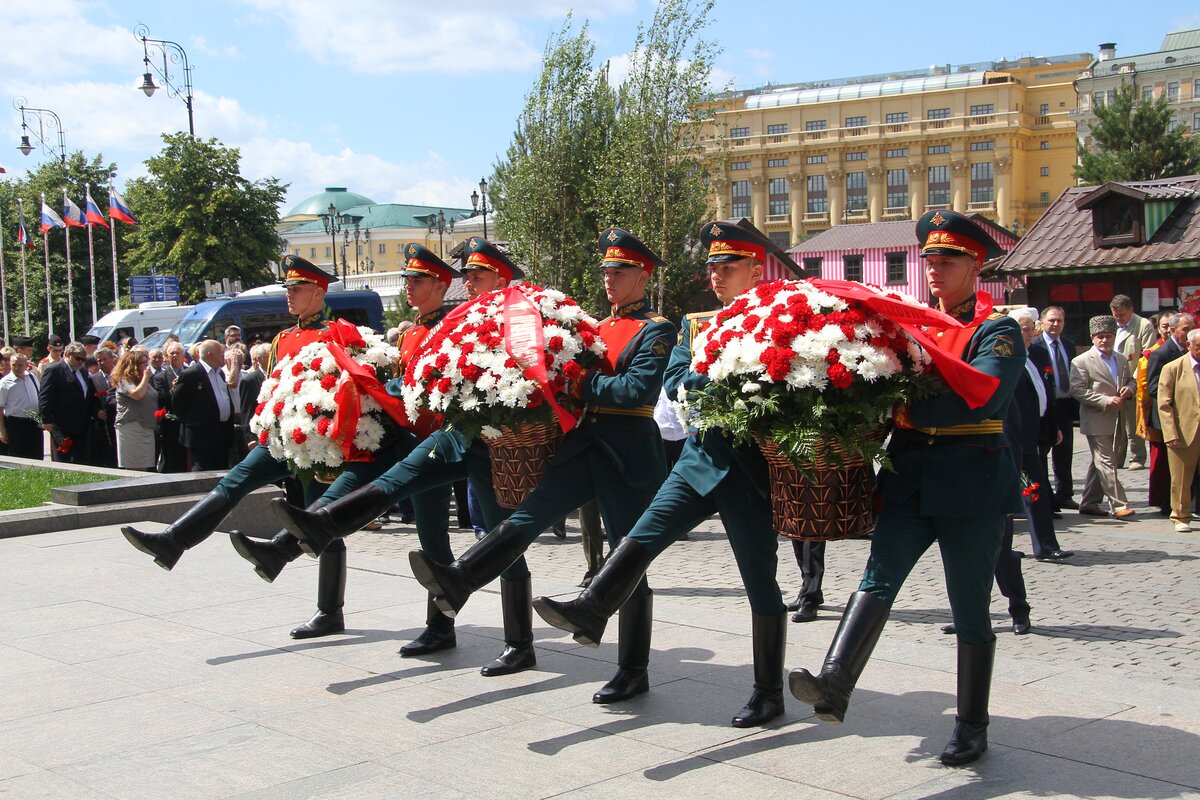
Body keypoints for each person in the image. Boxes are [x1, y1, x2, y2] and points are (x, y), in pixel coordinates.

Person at [533, 219, 797, 727]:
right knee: (641, 536)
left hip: (750, 470)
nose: (716, 275)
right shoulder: (695, 325)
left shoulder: (779, 318)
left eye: (727, 266)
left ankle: (769, 692)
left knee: (759, 582)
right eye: (712, 267)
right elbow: (676, 382)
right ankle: (592, 607)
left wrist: (718, 377)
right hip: (699, 460)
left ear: (753, 268)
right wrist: (720, 376)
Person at [782, 210, 1023, 767]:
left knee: (970, 608)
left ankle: (971, 724)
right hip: (911, 473)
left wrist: (891, 397)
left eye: (949, 260)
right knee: (878, 576)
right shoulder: (913, 326)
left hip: (971, 481)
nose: (935, 269)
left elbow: (981, 397)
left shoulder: (998, 330)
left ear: (976, 265)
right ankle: (835, 682)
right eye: (930, 260)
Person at [264, 240, 541, 674]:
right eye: (466, 277)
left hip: (491, 446)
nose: (469, 284)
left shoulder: (517, 320)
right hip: (443, 437)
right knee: (420, 515)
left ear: (502, 280)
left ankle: (520, 642)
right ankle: (438, 625)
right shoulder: (450, 322)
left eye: (477, 277)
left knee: (501, 541)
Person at [122, 255, 410, 640]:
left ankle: (329, 611)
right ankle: (175, 539)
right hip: (283, 437)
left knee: (319, 516)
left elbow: (355, 383)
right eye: (287, 289)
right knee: (237, 479)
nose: (289, 296)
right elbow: (273, 388)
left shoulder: (339, 333)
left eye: (297, 289)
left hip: (323, 436)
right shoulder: (282, 339)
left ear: (319, 292)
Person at [1008, 309, 1069, 561]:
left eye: (1031, 327)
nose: (1030, 333)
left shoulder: (1038, 352)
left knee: (1036, 490)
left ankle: (1046, 545)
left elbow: (1048, 394)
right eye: (1024, 328)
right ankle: (1002, 548)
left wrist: (1053, 427)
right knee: (1012, 493)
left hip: (1035, 435)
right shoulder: (1005, 358)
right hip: (1012, 438)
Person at [1070, 315, 1136, 519]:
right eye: (1100, 337)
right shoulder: (1081, 361)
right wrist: (1104, 400)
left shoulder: (1121, 359)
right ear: (1092, 337)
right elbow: (1077, 390)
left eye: (1108, 336)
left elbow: (1131, 380)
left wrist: (1129, 389)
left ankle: (1089, 502)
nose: (1104, 340)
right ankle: (1119, 504)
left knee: (1100, 460)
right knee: (1106, 461)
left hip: (1118, 418)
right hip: (1095, 418)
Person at [1028, 306, 1077, 510]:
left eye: (1059, 321)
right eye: (1052, 320)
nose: (1055, 324)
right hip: (1046, 406)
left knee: (1065, 452)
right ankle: (1047, 498)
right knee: (1042, 452)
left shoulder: (1068, 344)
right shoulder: (1036, 346)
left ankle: (1065, 494)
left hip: (1066, 404)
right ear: (1042, 322)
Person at [1145, 313, 1193, 515]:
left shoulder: (1192, 351)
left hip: (1189, 417)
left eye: (1192, 328)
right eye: (1186, 329)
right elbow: (1153, 387)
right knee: (1168, 463)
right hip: (1169, 416)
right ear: (1173, 331)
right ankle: (1167, 503)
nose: (1190, 333)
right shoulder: (1161, 354)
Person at [1155, 327, 1200, 533]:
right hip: (1183, 431)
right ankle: (1180, 515)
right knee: (1181, 478)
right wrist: (1170, 433)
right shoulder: (1173, 368)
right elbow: (1164, 404)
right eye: (1199, 347)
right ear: (1189, 345)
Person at [172, 340, 235, 471]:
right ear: (210, 354)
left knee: (222, 469)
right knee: (203, 471)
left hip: (222, 432)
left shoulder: (220, 373)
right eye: (221, 353)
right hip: (201, 436)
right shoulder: (191, 374)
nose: (224, 356)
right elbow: (178, 404)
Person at [1110, 294, 1155, 470]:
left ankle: (1137, 457)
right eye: (1116, 315)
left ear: (1131, 310)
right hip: (1114, 380)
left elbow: (1147, 356)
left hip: (1134, 380)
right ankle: (1117, 458)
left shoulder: (1143, 325)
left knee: (1132, 420)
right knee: (1116, 423)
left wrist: (1133, 383)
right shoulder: (1112, 324)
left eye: (1122, 314)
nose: (1118, 318)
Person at [38, 342, 103, 464]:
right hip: (63, 424)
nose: (80, 362)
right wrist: (46, 419)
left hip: (83, 424)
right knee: (64, 459)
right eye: (78, 358)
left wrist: (96, 411)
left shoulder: (83, 371)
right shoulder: (55, 371)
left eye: (83, 359)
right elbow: (45, 397)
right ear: (67, 354)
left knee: (82, 459)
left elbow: (88, 396)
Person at [113, 349, 159, 471]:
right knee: (135, 469)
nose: (147, 365)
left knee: (144, 468)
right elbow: (137, 395)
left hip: (147, 427)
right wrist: (146, 377)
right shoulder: (124, 381)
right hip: (132, 427)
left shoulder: (144, 380)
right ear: (134, 365)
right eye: (143, 363)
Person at [0, 353, 43, 459]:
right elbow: (0, 407)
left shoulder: (32, 377)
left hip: (34, 422)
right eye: (14, 364)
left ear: (26, 365)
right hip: (15, 424)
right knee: (18, 456)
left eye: (20, 365)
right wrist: (2, 430)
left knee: (36, 455)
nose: (16, 368)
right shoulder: (5, 382)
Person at [154, 342, 189, 473]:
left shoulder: (190, 372)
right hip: (171, 424)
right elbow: (161, 399)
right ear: (167, 357)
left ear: (183, 355)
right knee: (174, 460)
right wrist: (173, 389)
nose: (174, 355)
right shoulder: (160, 377)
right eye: (171, 353)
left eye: (177, 353)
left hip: (189, 423)